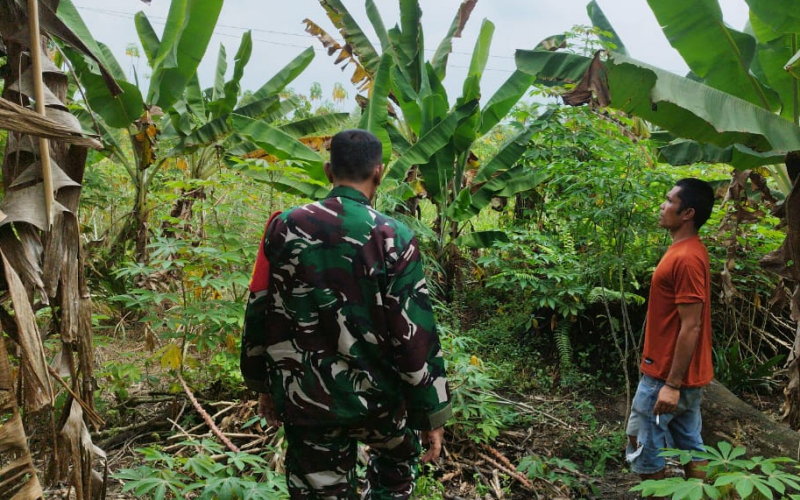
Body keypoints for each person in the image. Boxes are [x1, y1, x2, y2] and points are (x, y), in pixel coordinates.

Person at [240, 129, 452, 500]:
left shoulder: (282, 227)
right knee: (394, 477)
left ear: (327, 171)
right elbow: (414, 334)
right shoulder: (393, 236)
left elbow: (260, 308)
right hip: (379, 402)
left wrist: (264, 385)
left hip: (306, 398)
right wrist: (430, 413)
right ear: (379, 172)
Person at [626, 178, 715, 483]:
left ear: (687, 213)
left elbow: (692, 324)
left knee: (643, 450)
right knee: (692, 446)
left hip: (665, 377)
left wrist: (672, 384)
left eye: (669, 201)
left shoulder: (687, 258)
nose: (662, 206)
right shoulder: (687, 250)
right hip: (681, 376)